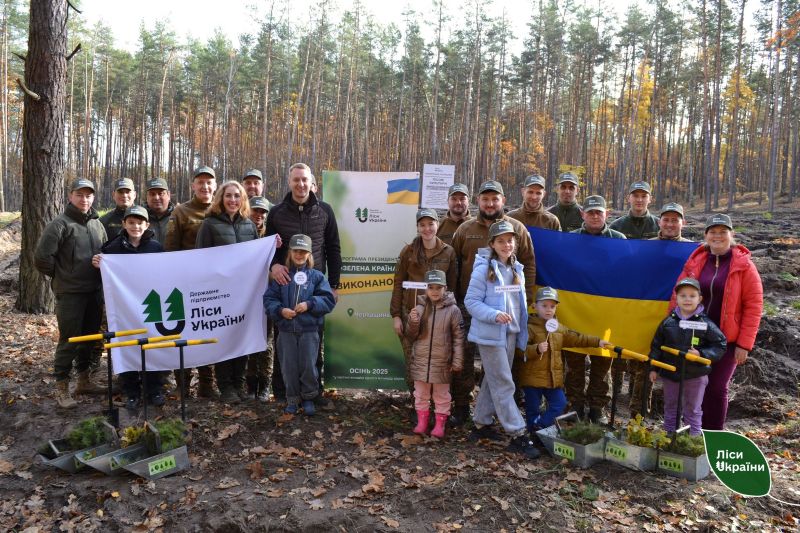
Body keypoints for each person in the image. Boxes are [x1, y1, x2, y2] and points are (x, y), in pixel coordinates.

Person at [449, 180, 537, 427]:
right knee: (468, 362)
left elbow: (529, 264)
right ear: (478, 201)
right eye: (485, 199)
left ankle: (483, 419)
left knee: (498, 373)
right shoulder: (465, 230)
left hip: (508, 315)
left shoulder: (517, 229)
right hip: (473, 308)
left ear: (503, 201)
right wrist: (454, 301)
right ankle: (464, 407)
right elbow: (454, 266)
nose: (490, 204)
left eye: (494, 199)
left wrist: (525, 301)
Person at [670, 214, 763, 430]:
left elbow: (754, 306)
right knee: (693, 386)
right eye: (713, 232)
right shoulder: (696, 261)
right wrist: (673, 329)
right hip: (694, 337)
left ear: (732, 235)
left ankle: (713, 435)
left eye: (723, 232)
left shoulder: (744, 266)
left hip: (726, 341)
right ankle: (693, 435)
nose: (717, 236)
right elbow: (678, 296)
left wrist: (744, 344)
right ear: (706, 235)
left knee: (717, 388)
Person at [266, 163, 341, 406]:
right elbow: (267, 247)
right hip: (285, 286)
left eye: (304, 180)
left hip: (314, 288)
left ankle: (313, 393)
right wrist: (273, 266)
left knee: (313, 342)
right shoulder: (276, 213)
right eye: (296, 180)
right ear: (289, 182)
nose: (300, 184)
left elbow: (333, 248)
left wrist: (334, 285)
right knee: (284, 342)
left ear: (312, 183)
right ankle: (283, 392)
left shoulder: (325, 211)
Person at [464, 220, 539, 459]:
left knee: (493, 379)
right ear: (492, 244)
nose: (506, 245)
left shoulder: (517, 269)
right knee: (504, 382)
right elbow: (471, 302)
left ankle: (481, 422)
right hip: (490, 335)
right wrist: (494, 315)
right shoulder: (482, 270)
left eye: (510, 240)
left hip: (511, 333)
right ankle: (518, 433)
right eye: (501, 241)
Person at [34, 179, 107, 408]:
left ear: (93, 197)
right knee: (69, 340)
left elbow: (105, 254)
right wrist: (64, 276)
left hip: (94, 292)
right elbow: (42, 259)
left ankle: (83, 381)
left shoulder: (97, 224)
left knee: (89, 338)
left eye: (88, 195)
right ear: (70, 196)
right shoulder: (60, 224)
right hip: (70, 294)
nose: (84, 199)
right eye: (79, 195)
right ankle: (62, 387)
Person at [92, 205, 166, 409]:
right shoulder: (111, 249)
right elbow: (104, 278)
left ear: (147, 225)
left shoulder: (156, 248)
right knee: (126, 345)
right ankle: (131, 391)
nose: (135, 226)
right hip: (123, 307)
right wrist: (99, 263)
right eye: (131, 222)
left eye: (140, 222)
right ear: (124, 224)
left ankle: (154, 389)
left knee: (152, 345)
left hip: (150, 304)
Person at [195, 181, 259, 403]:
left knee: (242, 337)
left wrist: (273, 245)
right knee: (224, 338)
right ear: (221, 198)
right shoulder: (209, 224)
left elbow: (257, 257)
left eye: (237, 196)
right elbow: (201, 258)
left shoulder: (249, 226)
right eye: (228, 195)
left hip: (243, 293)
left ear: (243, 199)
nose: (233, 200)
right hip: (219, 293)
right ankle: (226, 387)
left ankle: (239, 384)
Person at [516, 287, 611, 431]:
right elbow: (519, 351)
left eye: (552, 306)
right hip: (532, 380)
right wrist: (536, 349)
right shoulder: (529, 328)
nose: (548, 310)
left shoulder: (559, 329)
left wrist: (598, 342)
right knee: (532, 410)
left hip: (553, 381)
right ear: (534, 306)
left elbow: (578, 338)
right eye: (544, 305)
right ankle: (533, 435)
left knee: (560, 404)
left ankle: (539, 426)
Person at [565, 195, 625, 423]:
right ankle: (575, 405)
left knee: (602, 363)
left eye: (599, 212)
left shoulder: (618, 240)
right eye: (590, 212)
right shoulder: (571, 239)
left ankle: (597, 408)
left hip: (606, 314)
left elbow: (625, 274)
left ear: (606, 214)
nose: (595, 216)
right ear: (582, 214)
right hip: (576, 312)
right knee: (574, 363)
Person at [263, 234, 336, 416]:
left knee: (308, 366)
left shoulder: (317, 277)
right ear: (290, 252)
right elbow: (269, 299)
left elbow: (328, 300)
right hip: (286, 331)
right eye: (296, 251)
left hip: (309, 331)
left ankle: (309, 397)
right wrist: (280, 311)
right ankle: (292, 399)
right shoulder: (282, 277)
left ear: (309, 254)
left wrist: (309, 304)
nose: (299, 254)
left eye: (303, 251)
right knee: (289, 367)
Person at [163, 166, 218, 398]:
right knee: (183, 333)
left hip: (211, 284)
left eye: (209, 182)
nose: (205, 186)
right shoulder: (181, 212)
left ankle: (207, 384)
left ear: (215, 185)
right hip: (184, 283)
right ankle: (183, 384)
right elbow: (170, 249)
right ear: (193, 186)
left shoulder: (220, 209)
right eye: (200, 182)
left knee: (207, 330)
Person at [649, 278, 727, 435]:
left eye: (692, 296)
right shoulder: (668, 322)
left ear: (700, 299)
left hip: (696, 375)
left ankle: (692, 441)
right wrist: (653, 368)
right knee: (671, 407)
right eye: (683, 295)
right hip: (670, 373)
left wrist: (701, 354)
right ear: (676, 298)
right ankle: (669, 438)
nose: (687, 299)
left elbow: (720, 345)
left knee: (693, 409)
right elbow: (656, 346)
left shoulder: (706, 324)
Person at [391, 208, 457, 391]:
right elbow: (398, 284)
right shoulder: (408, 251)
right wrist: (396, 316)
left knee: (436, 362)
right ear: (417, 227)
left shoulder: (448, 252)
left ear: (438, 224)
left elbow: (452, 288)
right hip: (411, 315)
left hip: (439, 317)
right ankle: (416, 401)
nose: (427, 229)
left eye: (431, 224)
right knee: (413, 362)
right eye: (422, 225)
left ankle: (436, 403)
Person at [609, 181, 660, 416]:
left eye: (643, 196)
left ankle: (639, 410)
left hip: (649, 299)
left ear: (650, 199)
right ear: (628, 198)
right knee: (618, 355)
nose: (639, 200)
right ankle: (613, 403)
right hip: (621, 298)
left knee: (643, 355)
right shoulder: (617, 227)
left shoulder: (659, 226)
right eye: (635, 195)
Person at [405, 270, 464, 439]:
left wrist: (457, 361)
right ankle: (422, 422)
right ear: (425, 288)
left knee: (442, 395)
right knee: (420, 394)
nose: (435, 291)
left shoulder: (453, 311)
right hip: (421, 361)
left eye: (439, 287)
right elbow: (411, 335)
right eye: (431, 287)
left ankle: (440, 424)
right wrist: (413, 322)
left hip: (442, 362)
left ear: (445, 288)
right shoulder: (419, 309)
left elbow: (459, 338)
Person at [246, 195, 275, 402]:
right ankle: (250, 384)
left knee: (267, 340)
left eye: (263, 212)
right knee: (248, 338)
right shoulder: (242, 233)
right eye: (255, 210)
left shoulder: (272, 235)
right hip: (246, 295)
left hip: (269, 293)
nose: (259, 215)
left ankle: (265, 384)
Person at [100, 178, 137, 242]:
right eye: (120, 192)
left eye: (127, 192)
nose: (124, 195)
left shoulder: (145, 218)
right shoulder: (103, 221)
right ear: (113, 195)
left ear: (134, 195)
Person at [144, 177, 174, 245]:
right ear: (147, 197)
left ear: (168, 195)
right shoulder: (139, 218)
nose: (156, 198)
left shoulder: (178, 216)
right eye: (152, 194)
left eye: (160, 193)